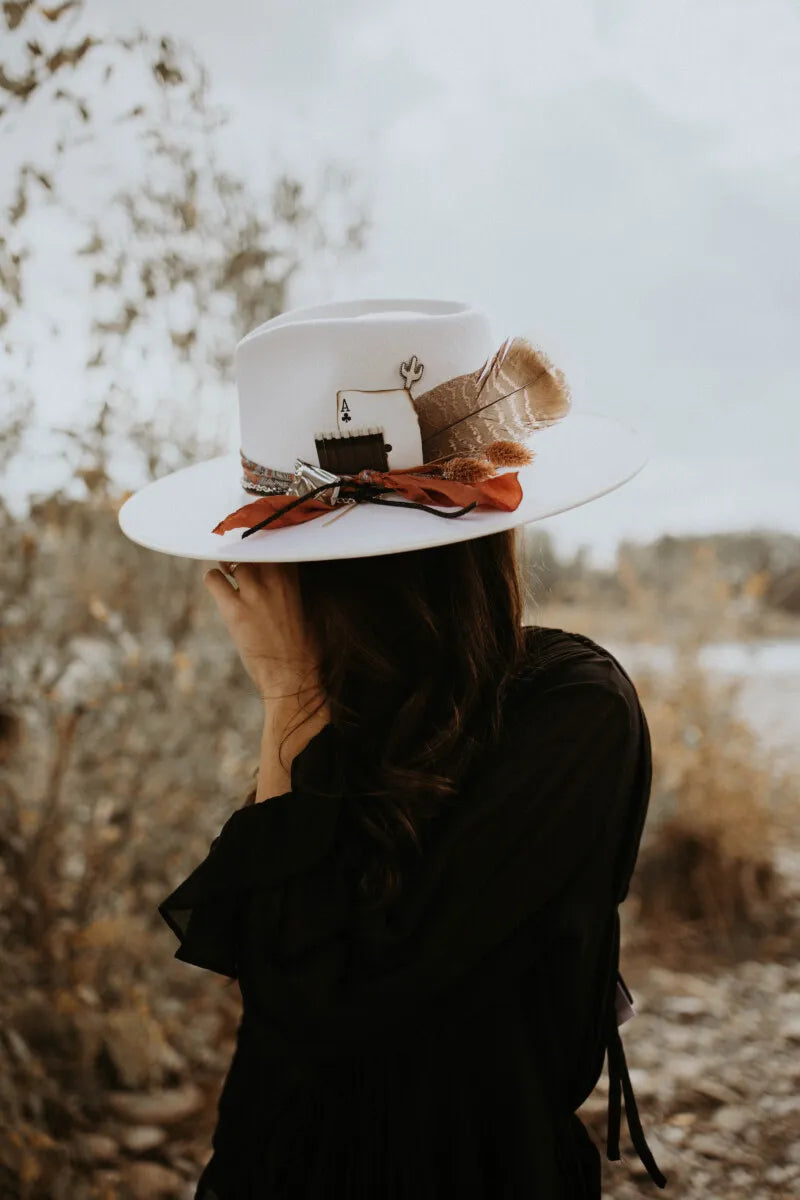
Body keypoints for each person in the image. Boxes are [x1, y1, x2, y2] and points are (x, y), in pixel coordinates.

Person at [118, 298, 667, 1197]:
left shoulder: (571, 709)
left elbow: (327, 1005)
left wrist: (293, 699)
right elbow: (275, 1001)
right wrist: (291, 705)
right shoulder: (343, 714)